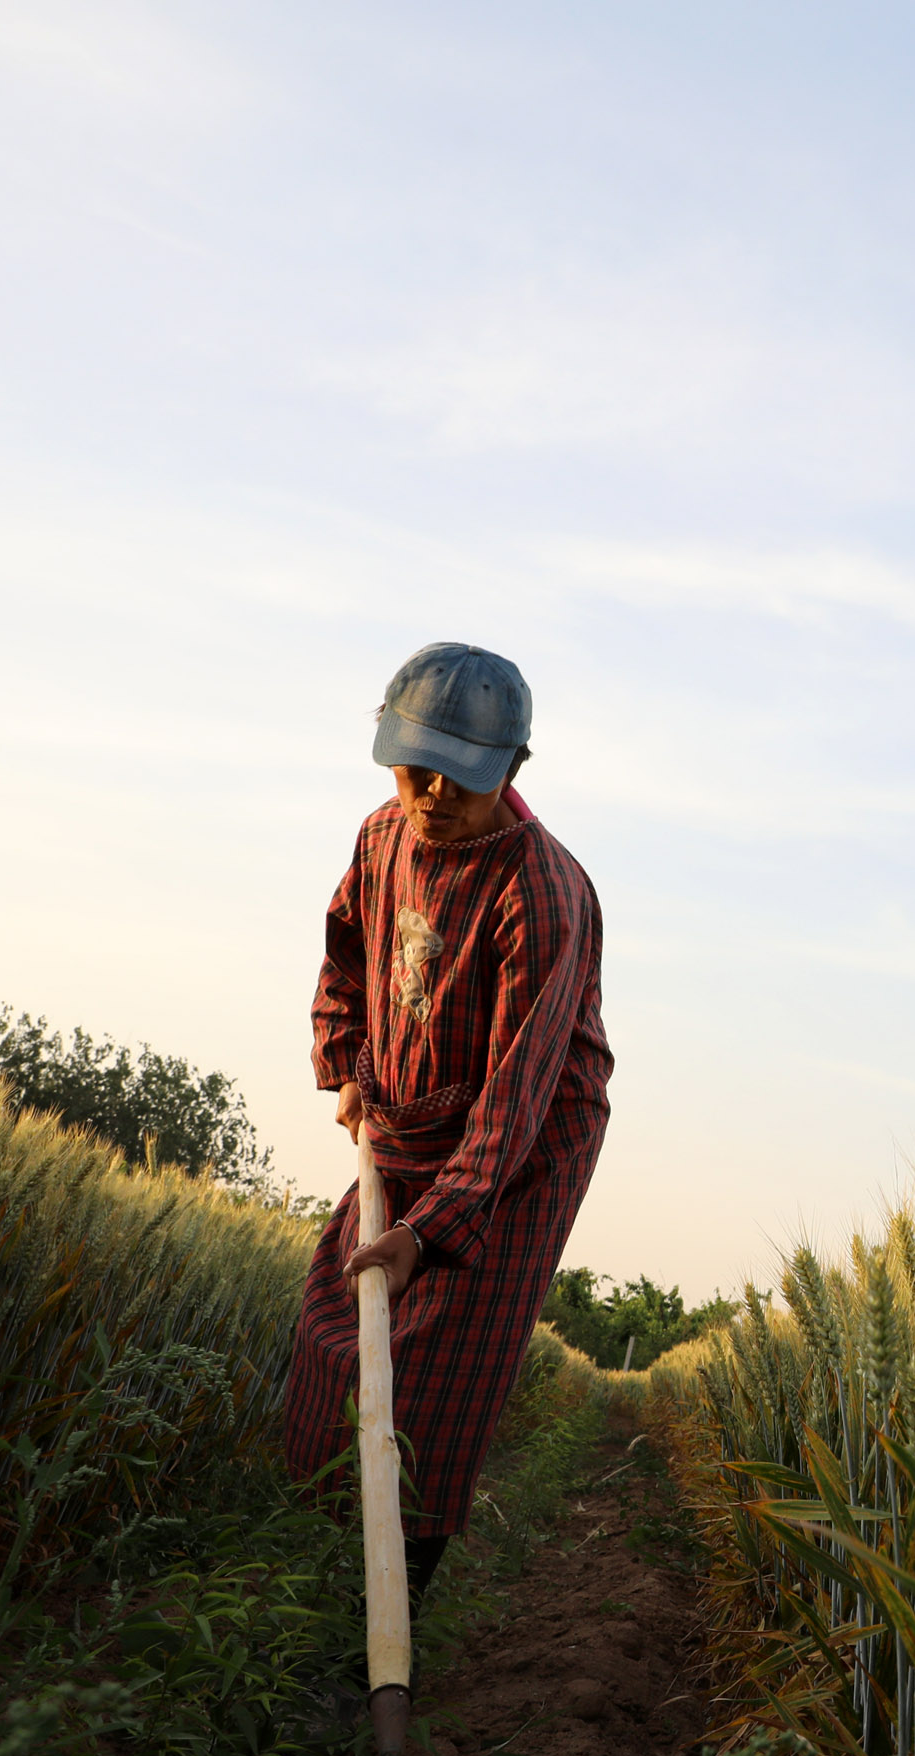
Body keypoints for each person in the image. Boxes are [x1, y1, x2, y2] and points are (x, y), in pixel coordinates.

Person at [281, 641, 613, 1605]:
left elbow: (518, 1095)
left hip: (519, 1153)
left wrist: (428, 1232)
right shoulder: (381, 836)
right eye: (412, 768)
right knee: (332, 1329)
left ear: (511, 771)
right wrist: (345, 1060)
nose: (429, 794)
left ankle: (393, 1606)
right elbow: (345, 955)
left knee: (434, 1371)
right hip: (405, 1117)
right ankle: (319, 1566)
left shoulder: (542, 892)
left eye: (458, 779)